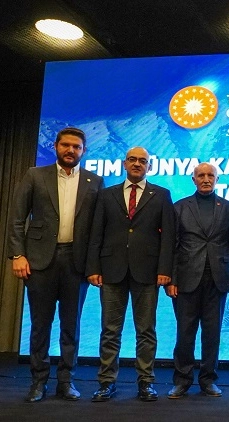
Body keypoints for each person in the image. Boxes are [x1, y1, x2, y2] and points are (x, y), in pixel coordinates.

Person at [8, 127, 103, 402]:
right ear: (56, 146)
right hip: (39, 261)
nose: (71, 150)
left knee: (71, 326)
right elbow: (17, 218)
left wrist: (95, 265)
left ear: (84, 151)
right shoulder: (35, 175)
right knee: (40, 324)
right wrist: (18, 255)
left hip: (77, 262)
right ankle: (38, 382)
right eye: (66, 145)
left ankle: (66, 381)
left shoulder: (95, 181)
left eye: (76, 147)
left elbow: (98, 229)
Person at [86, 146, 175, 402]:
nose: (137, 164)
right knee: (110, 330)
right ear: (124, 164)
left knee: (146, 330)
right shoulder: (107, 194)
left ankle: (146, 382)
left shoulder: (161, 195)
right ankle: (106, 382)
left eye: (142, 161)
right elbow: (96, 232)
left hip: (147, 272)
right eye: (132, 160)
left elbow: (169, 237)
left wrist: (165, 270)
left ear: (150, 166)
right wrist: (93, 267)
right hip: (111, 270)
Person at [166, 162, 229, 399]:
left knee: (212, 333)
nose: (206, 179)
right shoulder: (179, 207)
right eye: (201, 175)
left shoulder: (228, 208)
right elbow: (172, 246)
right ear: (193, 179)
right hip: (186, 279)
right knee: (185, 333)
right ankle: (182, 380)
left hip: (218, 279)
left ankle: (208, 380)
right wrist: (171, 279)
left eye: (210, 175)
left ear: (217, 179)